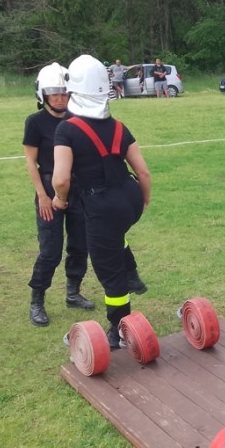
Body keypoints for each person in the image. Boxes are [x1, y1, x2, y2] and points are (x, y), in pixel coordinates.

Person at [52, 54, 153, 348]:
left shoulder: (66, 129)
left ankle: (118, 328)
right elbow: (143, 172)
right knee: (115, 235)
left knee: (109, 272)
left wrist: (59, 200)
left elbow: (61, 179)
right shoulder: (119, 126)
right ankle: (131, 272)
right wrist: (143, 201)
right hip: (130, 199)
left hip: (102, 206)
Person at [23, 63, 96, 327]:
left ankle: (73, 293)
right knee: (50, 250)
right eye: (54, 93)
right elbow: (30, 161)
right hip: (48, 189)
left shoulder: (77, 119)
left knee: (80, 244)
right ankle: (37, 301)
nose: (60, 98)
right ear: (43, 94)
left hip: (78, 190)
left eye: (64, 93)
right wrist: (42, 195)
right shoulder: (35, 122)